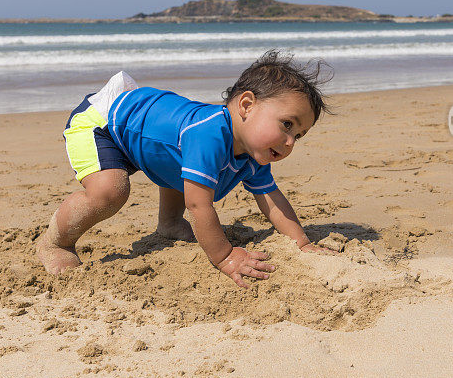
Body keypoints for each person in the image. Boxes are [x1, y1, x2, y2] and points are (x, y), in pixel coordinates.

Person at [36, 50, 335, 288]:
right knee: (110, 190)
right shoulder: (208, 135)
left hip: (148, 136)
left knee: (184, 167)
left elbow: (272, 199)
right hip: (104, 123)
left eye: (298, 135)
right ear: (246, 105)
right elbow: (198, 204)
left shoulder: (254, 155)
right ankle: (55, 243)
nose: (290, 142)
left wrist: (302, 243)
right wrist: (226, 256)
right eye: (287, 125)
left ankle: (168, 224)